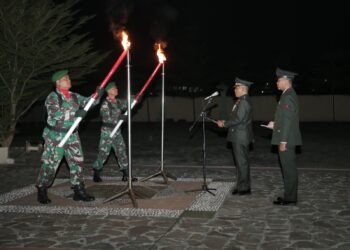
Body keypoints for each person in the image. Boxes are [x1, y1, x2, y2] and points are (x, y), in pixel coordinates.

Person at [36, 69, 103, 204]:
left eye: (69, 78)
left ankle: (78, 191)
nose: (69, 80)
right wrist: (76, 114)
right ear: (58, 82)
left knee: (77, 162)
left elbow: (89, 103)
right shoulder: (52, 97)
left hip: (72, 135)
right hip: (56, 136)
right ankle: (42, 187)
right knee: (50, 164)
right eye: (66, 78)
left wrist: (98, 95)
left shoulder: (73, 96)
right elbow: (55, 114)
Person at [266, 68, 302, 205]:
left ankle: (291, 198)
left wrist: (283, 141)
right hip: (287, 137)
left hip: (287, 139)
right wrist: (275, 125)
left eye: (278, 80)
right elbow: (287, 119)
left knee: (289, 170)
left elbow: (288, 122)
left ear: (286, 80)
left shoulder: (288, 96)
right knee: (287, 169)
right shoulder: (287, 95)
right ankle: (289, 195)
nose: (277, 83)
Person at [92, 82, 137, 182]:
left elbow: (127, 104)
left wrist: (135, 98)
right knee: (104, 152)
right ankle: (96, 171)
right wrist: (119, 118)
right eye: (114, 88)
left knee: (121, 151)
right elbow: (106, 116)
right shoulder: (105, 103)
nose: (117, 89)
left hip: (117, 132)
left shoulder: (118, 102)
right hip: (107, 132)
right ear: (109, 91)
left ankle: (126, 174)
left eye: (116, 88)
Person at [216, 78, 254, 195]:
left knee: (242, 163)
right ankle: (241, 185)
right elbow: (236, 118)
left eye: (236, 88)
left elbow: (238, 119)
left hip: (240, 136)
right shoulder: (241, 100)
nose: (235, 90)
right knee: (240, 163)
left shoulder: (243, 102)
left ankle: (244, 188)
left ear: (243, 89)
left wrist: (224, 124)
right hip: (239, 135)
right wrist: (226, 121)